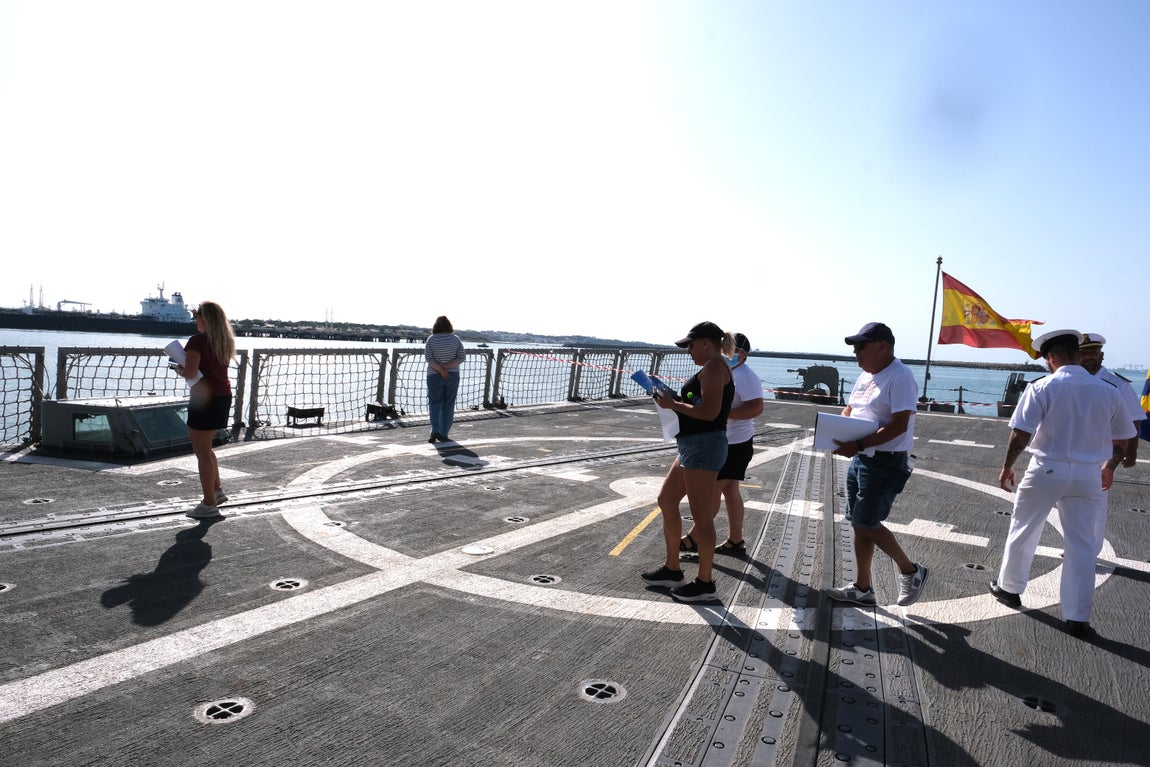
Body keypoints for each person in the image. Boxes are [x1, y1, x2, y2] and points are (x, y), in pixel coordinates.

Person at [989, 330, 1135, 638]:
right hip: (1089, 474)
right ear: (1079, 354)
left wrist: (1007, 466)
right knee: (1082, 546)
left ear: (1050, 357)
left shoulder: (1042, 387)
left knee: (1025, 528)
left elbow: (1021, 434)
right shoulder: (1109, 390)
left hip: (1047, 469)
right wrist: (1109, 467)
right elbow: (1123, 437)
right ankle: (1078, 617)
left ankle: (1010, 589)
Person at [828, 322, 929, 608]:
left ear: (883, 346)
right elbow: (852, 408)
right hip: (862, 459)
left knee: (866, 522)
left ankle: (911, 570)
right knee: (860, 524)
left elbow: (899, 425)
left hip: (884, 461)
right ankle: (862, 588)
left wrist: (857, 444)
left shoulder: (900, 377)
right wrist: (840, 424)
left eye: (861, 347)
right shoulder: (866, 375)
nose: (856, 353)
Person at [641, 321, 735, 603]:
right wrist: (675, 400)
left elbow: (709, 413)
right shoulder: (711, 368)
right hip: (691, 445)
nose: (688, 351)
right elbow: (699, 406)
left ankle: (705, 582)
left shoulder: (715, 367)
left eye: (690, 346)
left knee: (702, 517)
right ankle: (672, 568)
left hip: (704, 445)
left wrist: (673, 405)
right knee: (667, 499)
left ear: (706, 343)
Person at [681, 332, 763, 555]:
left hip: (736, 443)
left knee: (712, 492)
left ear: (743, 354)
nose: (726, 353)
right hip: (733, 441)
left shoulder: (746, 376)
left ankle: (694, 538)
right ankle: (735, 540)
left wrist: (722, 413)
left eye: (731, 350)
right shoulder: (729, 372)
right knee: (730, 491)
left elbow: (756, 407)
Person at [175, 301, 235, 519]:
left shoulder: (197, 340)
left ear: (204, 318)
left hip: (204, 400)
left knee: (202, 453)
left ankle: (209, 504)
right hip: (222, 397)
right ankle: (216, 492)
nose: (195, 320)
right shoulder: (224, 340)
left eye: (196, 316)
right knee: (208, 449)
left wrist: (180, 369)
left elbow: (191, 373)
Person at [1078, 333, 1146, 467]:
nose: (1088, 357)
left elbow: (1134, 419)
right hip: (1070, 452)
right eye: (1083, 353)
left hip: (1102, 455)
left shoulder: (1119, 384)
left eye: (1092, 352)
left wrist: (1132, 452)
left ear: (1101, 355)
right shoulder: (1070, 381)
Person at [425, 315, 466, 443]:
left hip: (434, 375)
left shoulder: (431, 339)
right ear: (449, 326)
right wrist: (447, 367)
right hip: (452, 375)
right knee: (448, 404)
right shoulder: (456, 339)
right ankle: (444, 433)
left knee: (434, 403)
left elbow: (429, 359)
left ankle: (435, 430)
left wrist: (440, 369)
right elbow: (461, 357)